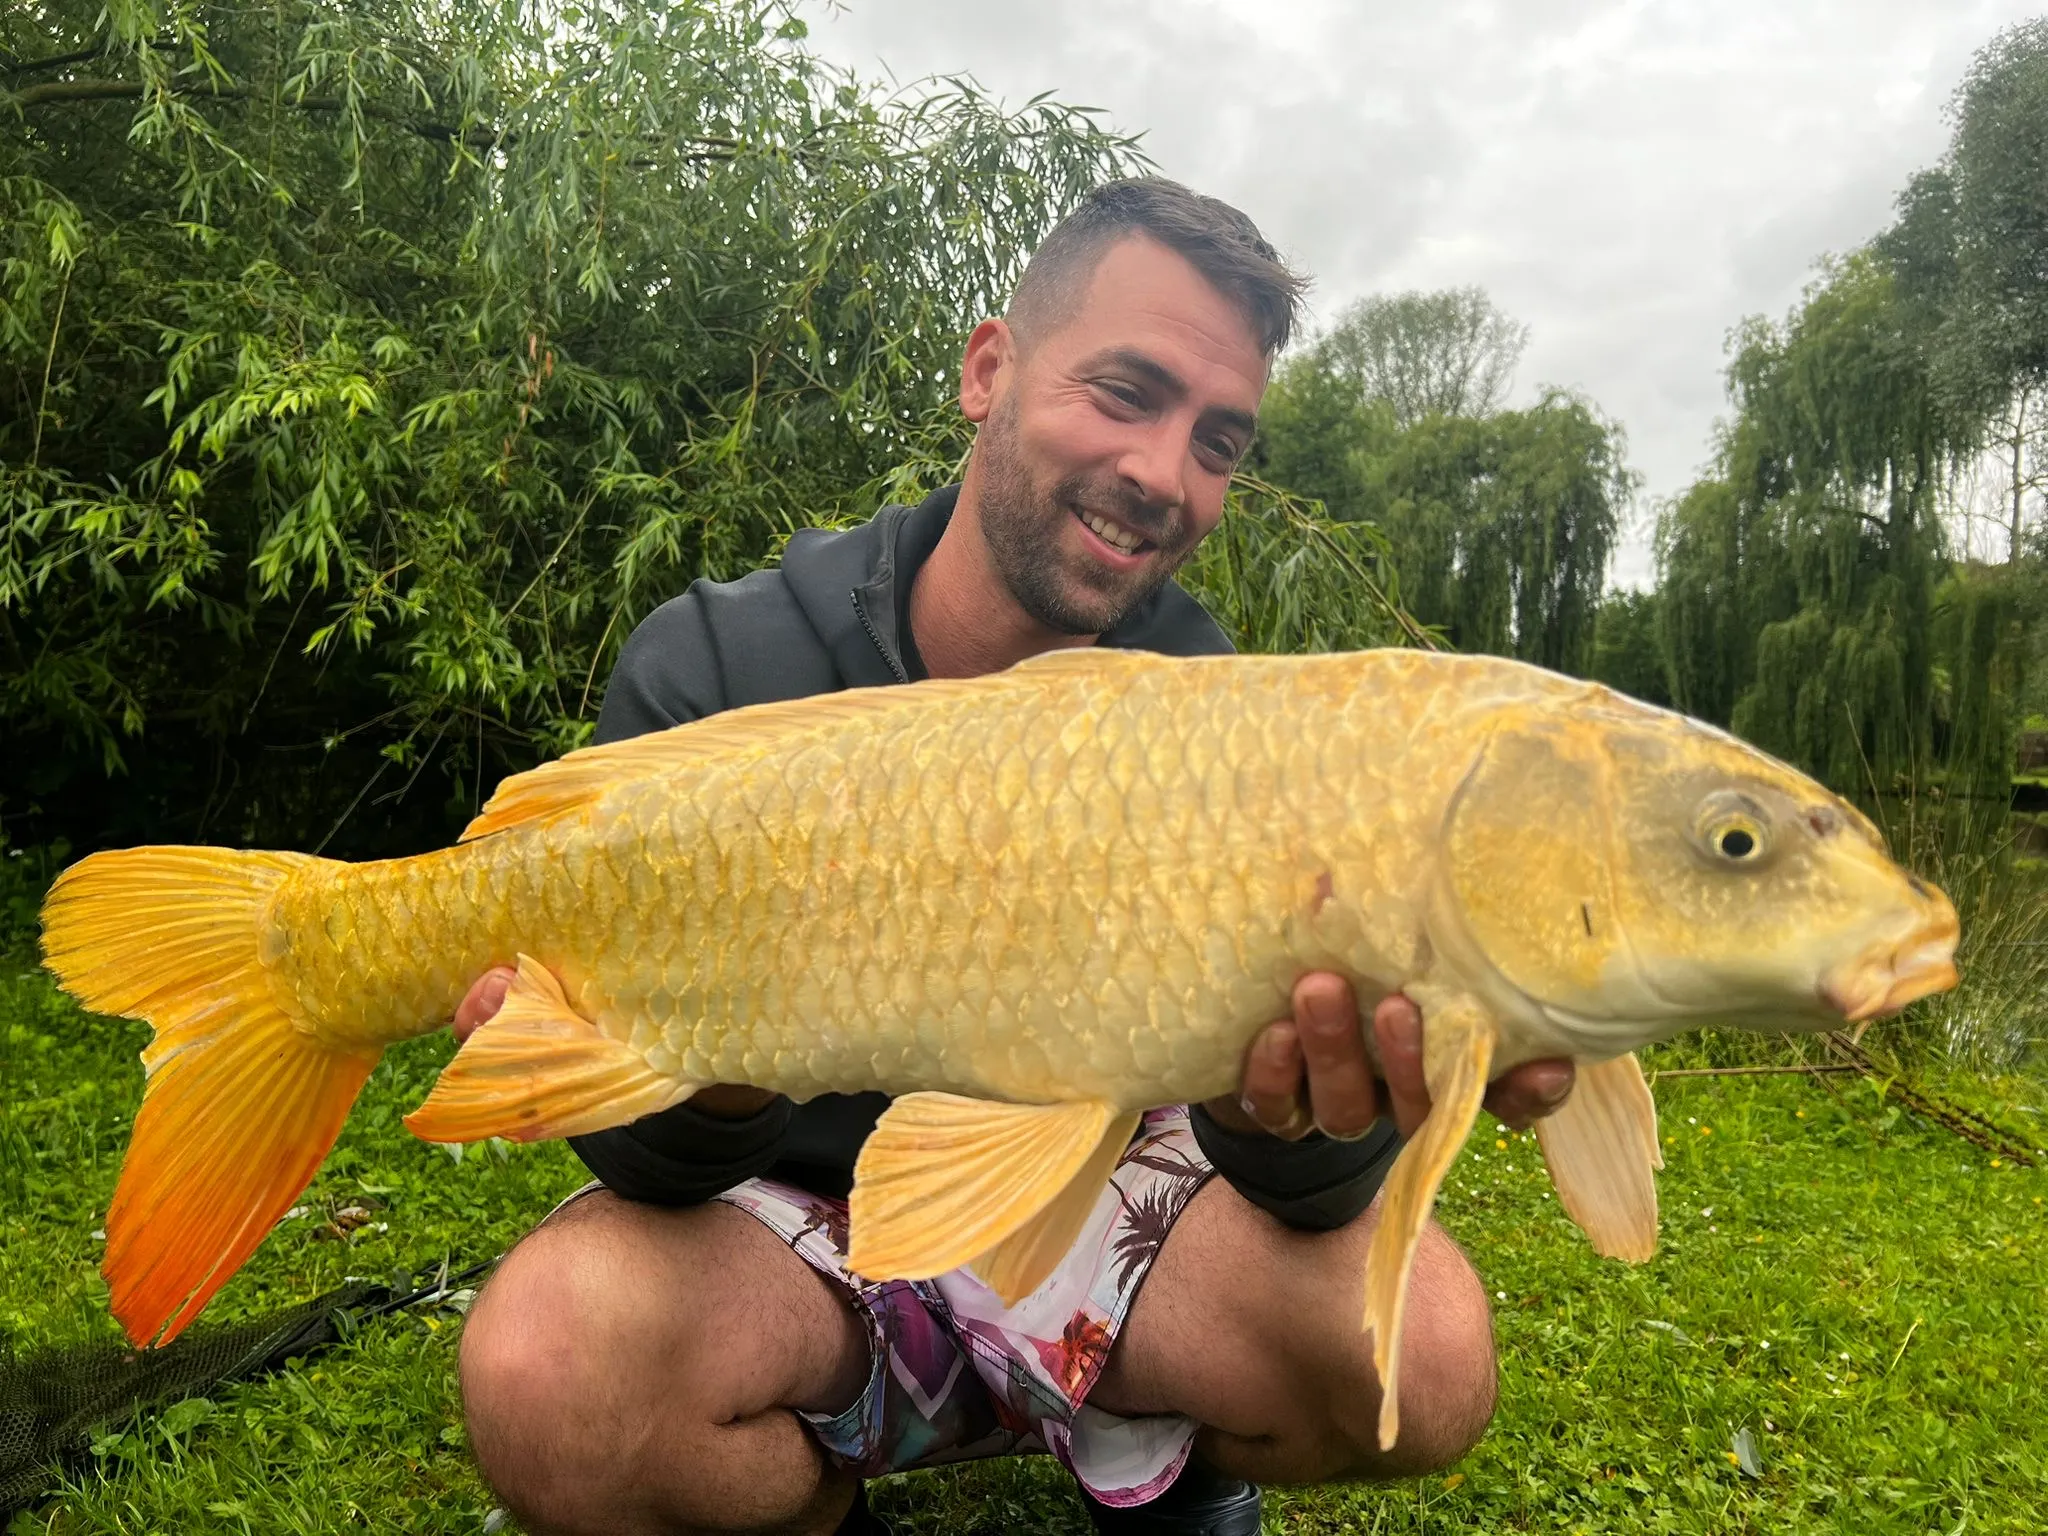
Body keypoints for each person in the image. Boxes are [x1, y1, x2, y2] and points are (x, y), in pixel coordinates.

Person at [449, 178, 1576, 1536]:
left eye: (1218, 440)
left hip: (1094, 1217)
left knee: (1425, 1359)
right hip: (800, 1241)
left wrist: (1295, 1122)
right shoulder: (723, 668)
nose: (1165, 474)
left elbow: (1296, 1175)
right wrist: (719, 1062)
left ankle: (1150, 1446)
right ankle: (815, 1500)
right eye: (1125, 391)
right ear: (992, 370)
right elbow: (651, 1171)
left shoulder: (1216, 708)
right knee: (545, 1373)